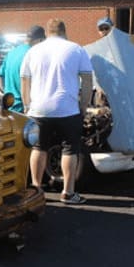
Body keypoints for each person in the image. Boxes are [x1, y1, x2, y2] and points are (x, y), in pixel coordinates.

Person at [20, 18, 93, 205]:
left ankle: (36, 189)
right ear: (64, 31)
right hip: (67, 109)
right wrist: (83, 106)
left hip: (38, 109)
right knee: (70, 149)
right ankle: (68, 192)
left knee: (39, 147)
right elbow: (86, 81)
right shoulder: (76, 49)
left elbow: (25, 81)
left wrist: (27, 105)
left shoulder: (33, 51)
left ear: (47, 32)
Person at [0, 25, 45, 112]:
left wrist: (5, 92)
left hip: (9, 107)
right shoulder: (33, 54)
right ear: (40, 40)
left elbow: (0, 76)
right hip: (24, 108)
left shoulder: (11, 52)